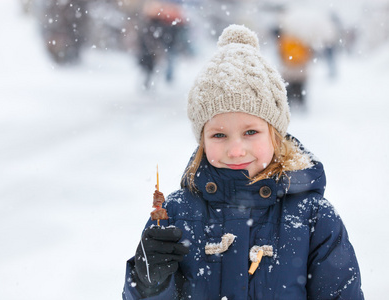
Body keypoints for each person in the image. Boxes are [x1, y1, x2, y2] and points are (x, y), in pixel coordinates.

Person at [122, 25, 364, 299]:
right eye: (219, 135)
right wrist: (146, 284)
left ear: (275, 134)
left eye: (251, 132)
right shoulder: (176, 213)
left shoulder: (313, 217)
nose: (236, 150)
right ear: (202, 140)